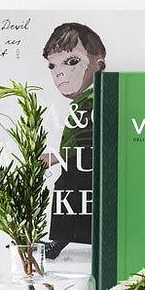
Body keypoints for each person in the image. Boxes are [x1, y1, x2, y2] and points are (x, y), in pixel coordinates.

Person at [39, 21, 106, 258]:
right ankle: (62, 240)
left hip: (87, 164)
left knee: (69, 190)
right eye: (52, 65)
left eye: (72, 62)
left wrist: (55, 157)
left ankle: (59, 241)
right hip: (80, 163)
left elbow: (87, 140)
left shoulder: (94, 101)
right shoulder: (84, 102)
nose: (59, 72)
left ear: (99, 65)